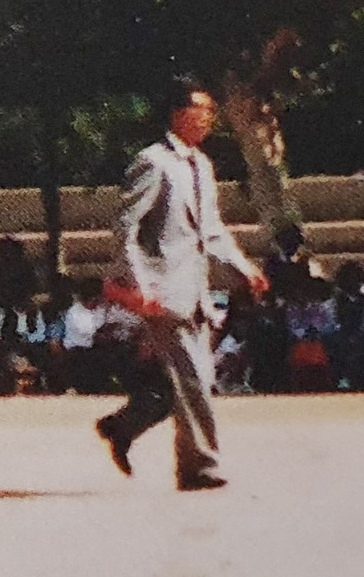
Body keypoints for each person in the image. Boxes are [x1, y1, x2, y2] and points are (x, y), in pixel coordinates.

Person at [93, 78, 269, 492]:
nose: (208, 118)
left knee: (187, 380)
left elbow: (211, 230)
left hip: (196, 291)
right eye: (201, 110)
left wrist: (244, 267)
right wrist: (138, 283)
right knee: (194, 379)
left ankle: (124, 425)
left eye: (210, 111)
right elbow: (126, 227)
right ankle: (200, 467)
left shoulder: (201, 166)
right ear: (178, 113)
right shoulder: (152, 162)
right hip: (164, 292)